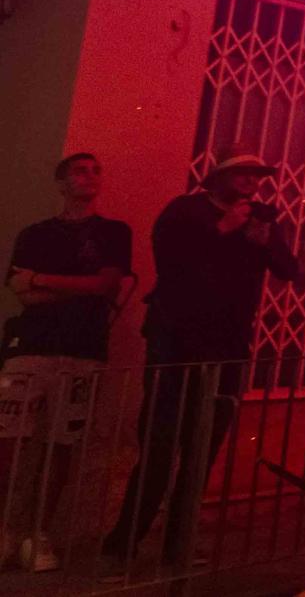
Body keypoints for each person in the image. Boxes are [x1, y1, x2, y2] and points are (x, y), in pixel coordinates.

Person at [104, 149, 300, 567]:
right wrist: (222, 230)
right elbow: (173, 265)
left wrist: (268, 244)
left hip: (228, 347)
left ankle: (178, 546)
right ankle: (122, 545)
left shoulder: (261, 217)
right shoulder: (185, 211)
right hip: (177, 344)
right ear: (217, 176)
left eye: (256, 174)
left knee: (203, 449)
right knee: (160, 445)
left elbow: (290, 270)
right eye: (241, 172)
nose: (251, 180)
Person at [0, 152, 132, 573]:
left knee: (61, 444)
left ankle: (39, 530)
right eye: (80, 170)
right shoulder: (36, 234)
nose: (90, 176)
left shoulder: (113, 232)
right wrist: (77, 287)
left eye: (97, 169)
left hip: (82, 348)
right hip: (32, 346)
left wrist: (42, 280)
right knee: (10, 440)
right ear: (61, 183)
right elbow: (23, 293)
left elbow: (106, 285)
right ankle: (7, 528)